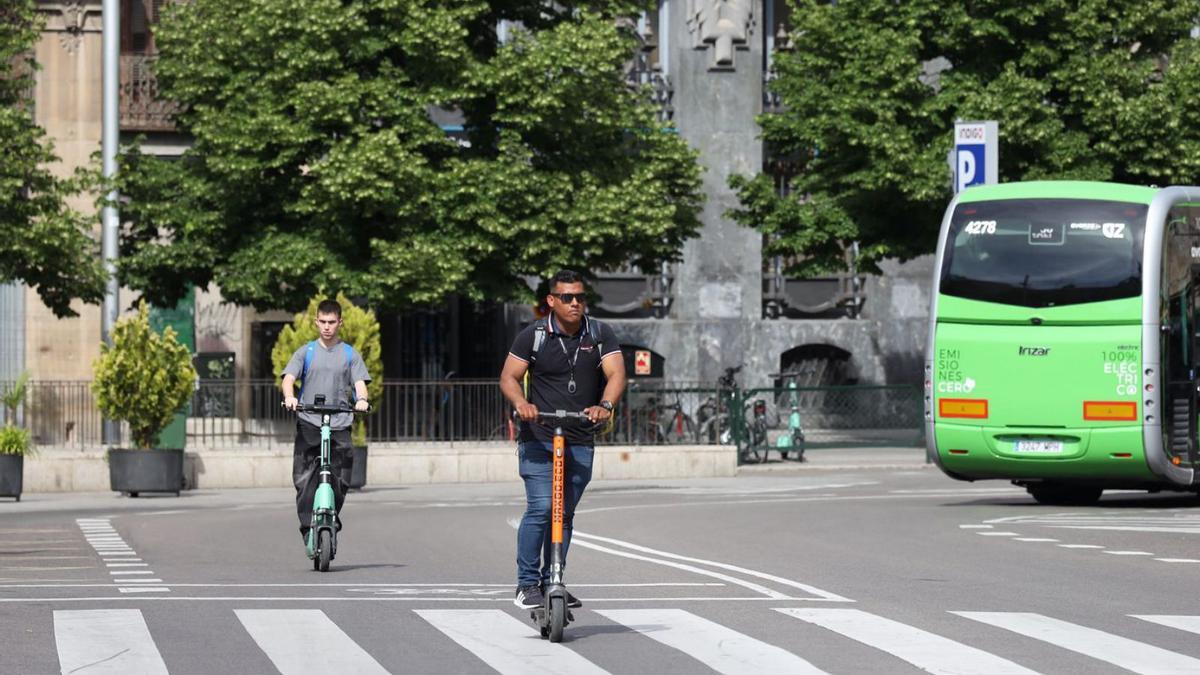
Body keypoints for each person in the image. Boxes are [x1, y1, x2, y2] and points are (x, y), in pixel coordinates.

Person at [499, 270, 627, 609]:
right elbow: (509, 377)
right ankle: (527, 584)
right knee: (542, 508)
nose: (575, 303)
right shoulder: (534, 335)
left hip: (580, 435)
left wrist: (605, 405)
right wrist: (522, 404)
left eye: (580, 297)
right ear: (551, 301)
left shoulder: (599, 333)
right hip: (539, 436)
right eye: (567, 297)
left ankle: (553, 578)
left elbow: (616, 374)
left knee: (564, 513)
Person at [280, 299, 371, 549]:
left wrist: (361, 399)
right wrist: (289, 396)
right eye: (323, 322)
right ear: (316, 322)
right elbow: (288, 379)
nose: (327, 327)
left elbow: (360, 384)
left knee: (341, 478)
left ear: (340, 322)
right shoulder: (306, 352)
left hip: (339, 422)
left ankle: (331, 518)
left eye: (332, 322)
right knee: (304, 478)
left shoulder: (350, 354)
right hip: (310, 421)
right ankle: (309, 528)